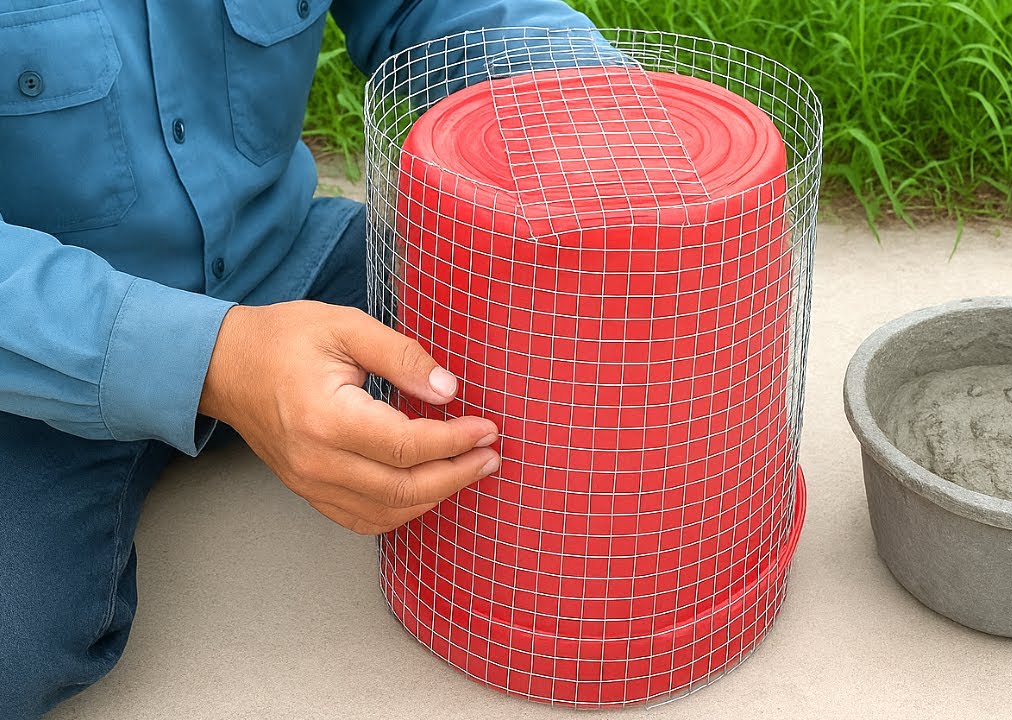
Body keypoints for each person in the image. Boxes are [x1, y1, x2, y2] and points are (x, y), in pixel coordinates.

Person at [0, 1, 602, 715]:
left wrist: (601, 114)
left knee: (581, 355)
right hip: (34, 352)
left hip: (286, 263)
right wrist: (219, 361)